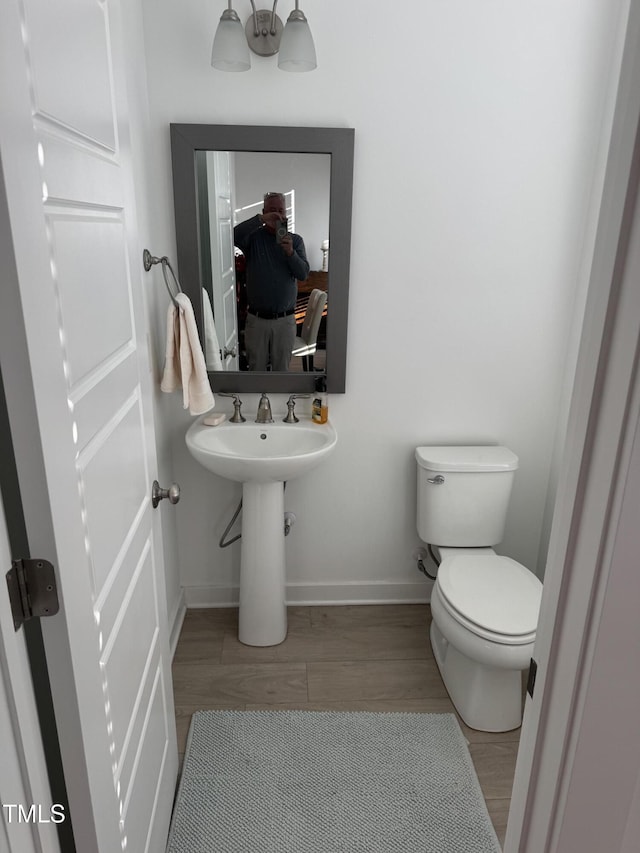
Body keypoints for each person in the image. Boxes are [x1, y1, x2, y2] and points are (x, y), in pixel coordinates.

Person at [233, 192, 310, 371]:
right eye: (271, 211)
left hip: (285, 320)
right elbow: (233, 235)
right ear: (264, 212)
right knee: (256, 369)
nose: (277, 215)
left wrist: (291, 253)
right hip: (256, 319)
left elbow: (303, 274)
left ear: (286, 213)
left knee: (281, 372)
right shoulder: (253, 238)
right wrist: (260, 219)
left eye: (280, 210)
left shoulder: (295, 241)